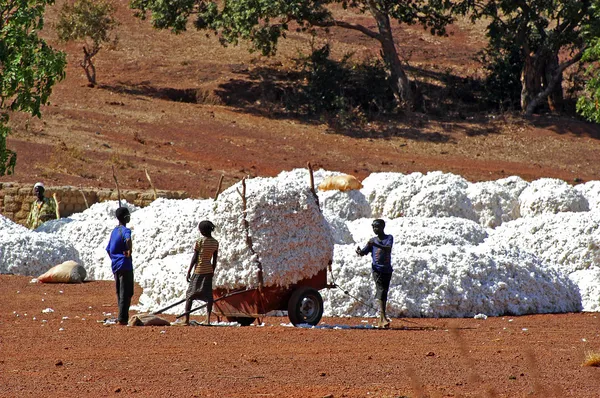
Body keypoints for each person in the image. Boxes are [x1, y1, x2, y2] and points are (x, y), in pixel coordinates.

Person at [178, 220, 219, 326]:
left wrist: (189, 271)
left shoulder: (199, 242)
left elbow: (195, 258)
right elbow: (214, 260)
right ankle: (208, 319)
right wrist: (212, 271)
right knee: (208, 296)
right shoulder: (215, 242)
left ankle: (186, 319)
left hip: (199, 271)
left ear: (202, 231)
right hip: (208, 271)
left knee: (190, 295)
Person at [356, 219, 394, 328]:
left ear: (383, 227)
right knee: (381, 290)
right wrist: (359, 251)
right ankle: (383, 318)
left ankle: (382, 319)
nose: (375, 229)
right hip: (377, 270)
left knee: (384, 292)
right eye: (373, 227)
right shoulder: (372, 241)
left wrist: (376, 244)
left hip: (387, 269)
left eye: (377, 227)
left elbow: (388, 249)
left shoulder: (388, 238)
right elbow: (364, 252)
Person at [105, 207, 134, 325]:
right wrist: (129, 250)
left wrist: (114, 259)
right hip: (125, 265)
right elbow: (128, 239)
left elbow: (108, 249)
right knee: (127, 292)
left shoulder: (114, 231)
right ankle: (122, 318)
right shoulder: (125, 230)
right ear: (126, 217)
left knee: (119, 291)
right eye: (128, 215)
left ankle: (121, 315)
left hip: (116, 266)